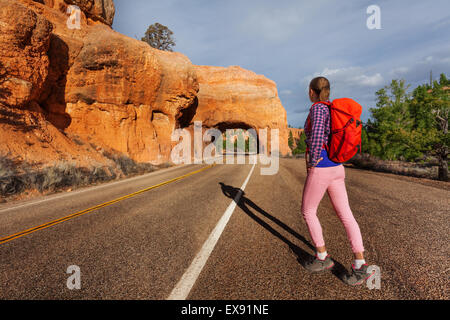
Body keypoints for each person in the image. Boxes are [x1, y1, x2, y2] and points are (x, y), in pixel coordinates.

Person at [301, 76, 370, 286]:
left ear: (312, 91)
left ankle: (322, 257)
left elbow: (316, 136)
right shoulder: (333, 108)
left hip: (322, 167)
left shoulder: (318, 109)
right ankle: (360, 264)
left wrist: (312, 161)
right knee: (346, 214)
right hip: (337, 166)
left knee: (308, 211)